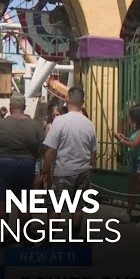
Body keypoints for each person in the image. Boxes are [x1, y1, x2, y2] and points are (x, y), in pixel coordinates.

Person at [40, 87, 98, 240]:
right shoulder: (89, 124)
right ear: (83, 102)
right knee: (78, 206)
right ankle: (74, 237)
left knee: (55, 206)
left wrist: (44, 170)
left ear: (67, 100)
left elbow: (51, 151)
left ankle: (50, 239)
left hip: (63, 172)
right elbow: (94, 153)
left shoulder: (60, 121)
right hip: (84, 171)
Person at [0, 93, 44, 246]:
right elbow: (43, 146)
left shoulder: (0, 124)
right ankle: (24, 237)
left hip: (3, 163)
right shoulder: (35, 124)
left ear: (11, 107)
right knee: (24, 203)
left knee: (1, 203)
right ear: (24, 107)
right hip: (26, 163)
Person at [114, 105, 140, 227]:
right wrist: (124, 137)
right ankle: (128, 214)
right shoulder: (138, 128)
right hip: (136, 160)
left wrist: (120, 140)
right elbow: (133, 140)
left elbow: (133, 144)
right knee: (132, 189)